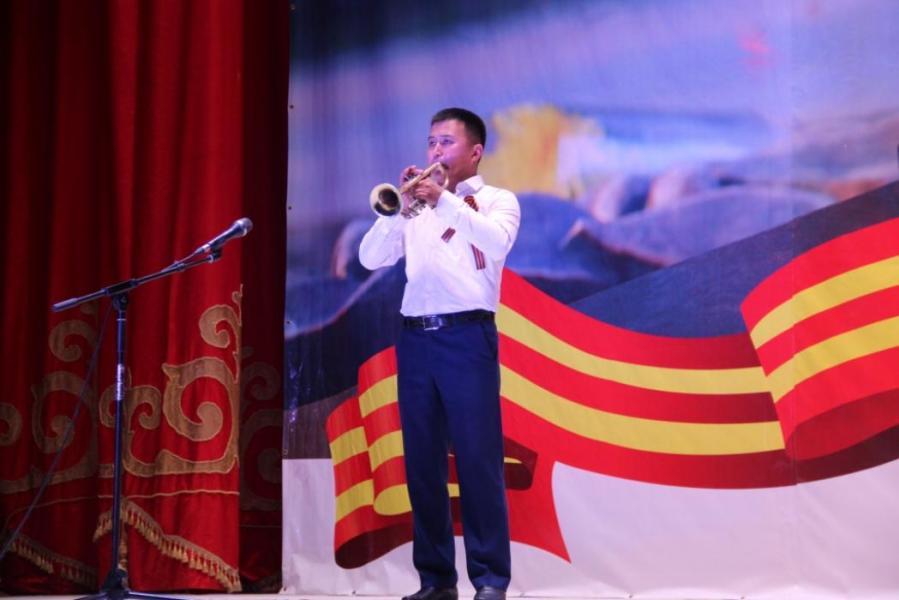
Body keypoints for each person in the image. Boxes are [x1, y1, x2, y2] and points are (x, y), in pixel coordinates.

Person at [359, 108, 521, 600]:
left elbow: (496, 243)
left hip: (467, 336)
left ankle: (489, 580)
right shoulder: (417, 209)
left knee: (477, 459)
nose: (435, 152)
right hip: (416, 339)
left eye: (446, 143)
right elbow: (369, 258)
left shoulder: (497, 201)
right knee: (422, 463)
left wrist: (443, 200)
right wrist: (397, 211)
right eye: (431, 142)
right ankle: (435, 580)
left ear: (475, 151)